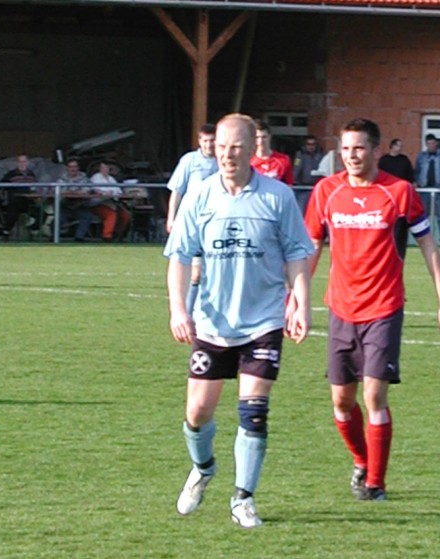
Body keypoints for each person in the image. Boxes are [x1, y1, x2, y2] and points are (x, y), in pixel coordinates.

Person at [164, 113, 314, 528]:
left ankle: (243, 498)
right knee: (197, 412)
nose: (227, 155)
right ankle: (204, 468)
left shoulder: (277, 197)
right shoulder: (200, 196)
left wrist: (301, 303)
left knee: (254, 411)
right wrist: (179, 309)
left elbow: (297, 254)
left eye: (236, 147)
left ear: (252, 150)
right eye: (221, 147)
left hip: (263, 321)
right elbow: (179, 257)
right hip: (212, 322)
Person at [305, 118, 440, 501]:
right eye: (345, 149)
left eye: (358, 148)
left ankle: (376, 483)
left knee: (374, 396)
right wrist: (296, 297)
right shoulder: (326, 192)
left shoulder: (399, 192)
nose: (351, 155)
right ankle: (362, 460)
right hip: (340, 309)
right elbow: (311, 247)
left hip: (384, 308)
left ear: (375, 151)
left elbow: (428, 245)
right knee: (341, 402)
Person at [166, 123, 218, 313]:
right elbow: (177, 191)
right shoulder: (189, 160)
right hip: (192, 223)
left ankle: (206, 312)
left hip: (216, 222)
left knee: (214, 271)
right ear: (199, 141)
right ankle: (188, 314)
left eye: (212, 141)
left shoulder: (223, 161)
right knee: (194, 272)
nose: (209, 145)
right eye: (205, 141)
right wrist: (171, 217)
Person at [415, 133, 440, 246]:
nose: (431, 146)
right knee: (424, 215)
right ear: (426, 144)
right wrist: (419, 183)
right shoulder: (421, 156)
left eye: (433, 143)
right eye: (429, 144)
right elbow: (416, 171)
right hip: (425, 190)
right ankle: (424, 239)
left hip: (439, 189)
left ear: (436, 143)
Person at [89, 161, 130, 242]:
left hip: (112, 202)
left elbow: (118, 191)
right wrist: (108, 192)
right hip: (99, 204)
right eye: (103, 167)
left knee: (125, 215)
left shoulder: (111, 179)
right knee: (111, 214)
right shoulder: (95, 178)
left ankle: (117, 234)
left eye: (107, 168)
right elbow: (97, 190)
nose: (105, 169)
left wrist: (111, 193)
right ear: (100, 168)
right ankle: (107, 236)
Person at [0, 154, 37, 241]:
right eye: (20, 162)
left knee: (42, 213)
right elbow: (1, 185)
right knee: (12, 214)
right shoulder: (11, 174)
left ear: (27, 163)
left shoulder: (31, 174)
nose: (22, 164)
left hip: (28, 201)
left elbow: (35, 187)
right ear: (17, 163)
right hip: (15, 201)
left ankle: (32, 229)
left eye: (24, 161)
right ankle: (6, 232)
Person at [56, 158, 93, 242]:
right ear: (67, 168)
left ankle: (79, 237)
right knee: (58, 218)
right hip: (65, 203)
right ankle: (54, 237)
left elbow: (87, 190)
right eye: (70, 167)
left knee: (87, 216)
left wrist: (71, 192)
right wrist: (77, 192)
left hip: (80, 204)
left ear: (78, 168)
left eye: (75, 166)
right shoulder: (62, 178)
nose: (73, 169)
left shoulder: (84, 178)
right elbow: (61, 191)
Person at [250, 120, 294, 185]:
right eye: (257, 137)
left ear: (270, 137)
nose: (261, 141)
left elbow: (289, 185)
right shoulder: (248, 161)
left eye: (264, 137)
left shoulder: (283, 160)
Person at [293, 135, 324, 214]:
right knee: (301, 210)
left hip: (316, 187)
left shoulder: (321, 155)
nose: (311, 147)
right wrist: (293, 181)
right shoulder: (300, 155)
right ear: (305, 145)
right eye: (309, 144)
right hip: (302, 188)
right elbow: (296, 169)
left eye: (313, 144)